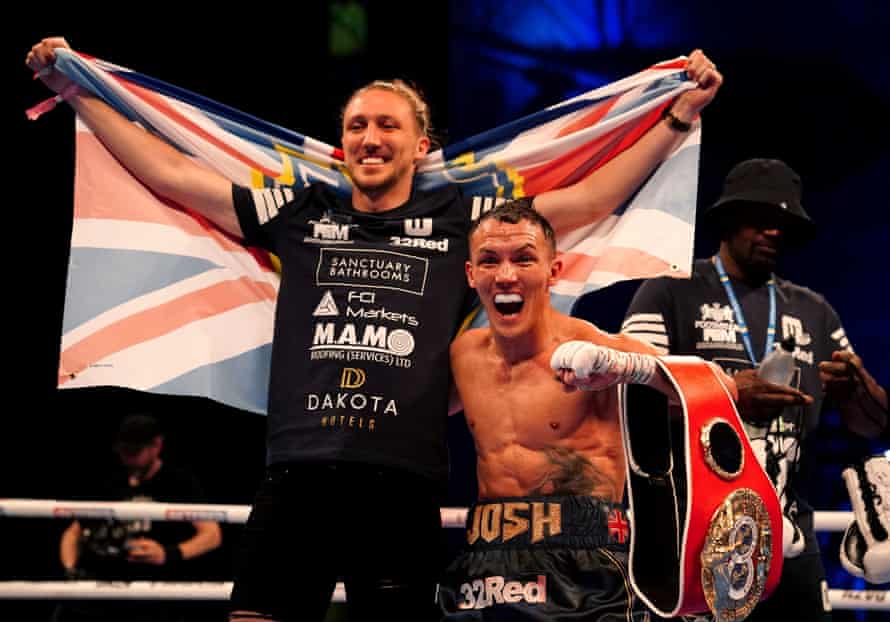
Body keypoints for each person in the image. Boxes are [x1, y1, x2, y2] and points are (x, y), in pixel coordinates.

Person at [26, 37, 722, 622]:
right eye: (358, 125)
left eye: (388, 125)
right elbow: (173, 172)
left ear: (420, 144)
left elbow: (590, 198)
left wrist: (675, 118)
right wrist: (81, 91)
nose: (370, 137)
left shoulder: (463, 216)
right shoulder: (301, 209)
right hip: (297, 469)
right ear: (343, 140)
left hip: (401, 479)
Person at [621, 158, 889, 621]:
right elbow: (625, 402)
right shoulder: (668, 291)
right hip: (692, 538)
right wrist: (726, 397)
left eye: (784, 224)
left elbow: (871, 425)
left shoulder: (814, 310)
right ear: (727, 219)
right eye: (761, 220)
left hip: (791, 543)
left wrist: (857, 387)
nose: (774, 232)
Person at [438, 200, 723, 620]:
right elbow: (402, 416)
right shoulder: (462, 357)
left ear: (554, 271)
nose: (506, 275)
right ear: (471, 274)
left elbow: (718, 388)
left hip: (588, 562)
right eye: (489, 261)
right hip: (487, 561)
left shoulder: (597, 348)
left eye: (523, 259)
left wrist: (627, 368)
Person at [54, 414, 222, 622]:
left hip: (155, 594)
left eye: (134, 451)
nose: (129, 458)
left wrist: (168, 553)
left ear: (156, 445)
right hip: (104, 589)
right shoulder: (110, 481)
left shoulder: (179, 482)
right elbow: (73, 533)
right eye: (124, 451)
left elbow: (212, 534)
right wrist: (71, 570)